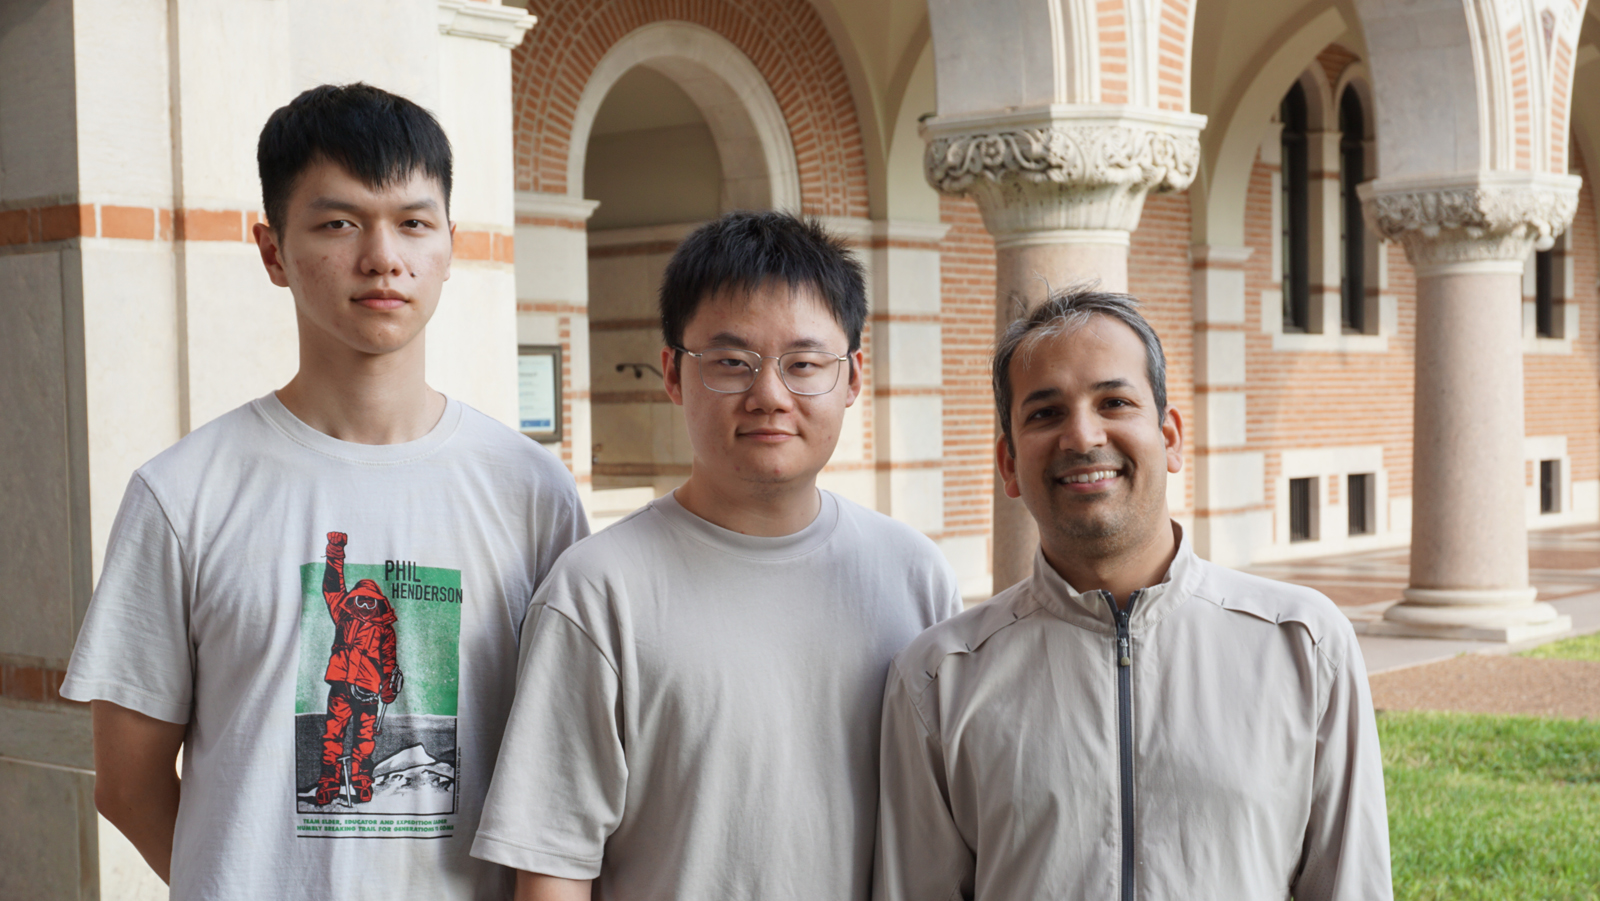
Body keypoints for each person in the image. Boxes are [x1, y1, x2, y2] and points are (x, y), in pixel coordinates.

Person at [61, 83, 588, 899]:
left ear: (451, 243)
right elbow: (126, 783)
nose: (384, 256)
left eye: (414, 221)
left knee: (366, 744)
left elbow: (563, 768)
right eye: (340, 222)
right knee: (342, 746)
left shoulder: (532, 491)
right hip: (336, 718)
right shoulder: (184, 494)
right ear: (273, 251)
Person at [472, 211, 963, 901]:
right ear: (674, 372)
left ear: (853, 377)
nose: (769, 395)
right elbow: (553, 865)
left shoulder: (914, 577)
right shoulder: (598, 591)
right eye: (732, 362)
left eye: (804, 364)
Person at [873, 288, 1391, 901]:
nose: (1082, 435)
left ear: (1169, 438)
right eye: (1044, 413)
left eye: (1114, 401)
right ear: (1008, 465)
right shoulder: (940, 679)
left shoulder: (1304, 645)